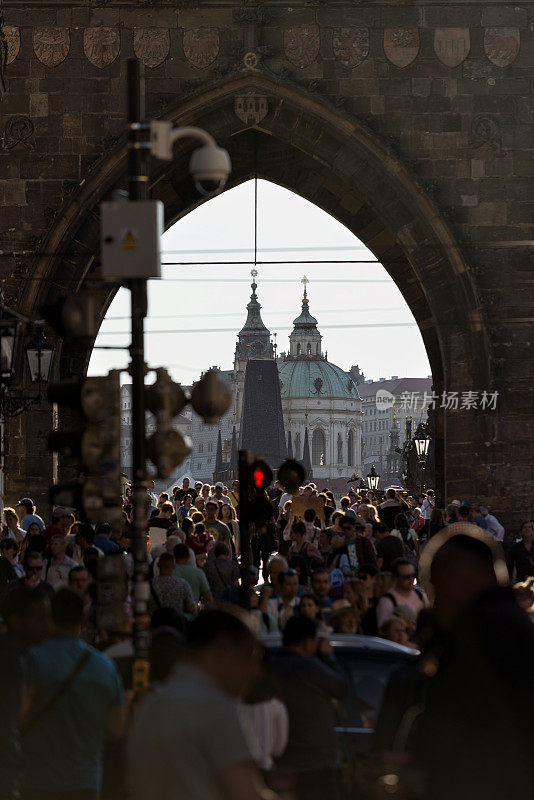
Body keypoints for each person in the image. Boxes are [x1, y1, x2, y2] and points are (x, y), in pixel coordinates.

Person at [403, 533, 534, 800]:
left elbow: (452, 725)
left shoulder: (481, 632)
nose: (434, 602)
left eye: (436, 587)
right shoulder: (511, 624)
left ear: (457, 577)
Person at [126, 609, 274, 800]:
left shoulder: (150, 705)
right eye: (251, 655)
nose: (256, 671)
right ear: (223, 647)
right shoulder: (216, 709)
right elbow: (247, 793)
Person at [22, 588, 125, 800]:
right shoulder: (105, 667)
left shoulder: (30, 660)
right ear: (84, 618)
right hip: (85, 781)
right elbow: (116, 730)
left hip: (35, 780)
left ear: (49, 616)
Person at [270, 615, 349, 800]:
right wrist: (328, 656)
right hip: (316, 765)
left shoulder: (270, 667)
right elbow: (342, 688)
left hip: (281, 763)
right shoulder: (308, 667)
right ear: (307, 642)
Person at [376, 558, 428, 627]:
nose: (411, 579)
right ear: (395, 578)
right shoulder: (387, 601)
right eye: (407, 577)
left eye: (413, 575)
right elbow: (383, 629)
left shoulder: (420, 595)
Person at [151, 552, 196, 616]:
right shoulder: (182, 584)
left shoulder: (150, 584)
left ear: (158, 565)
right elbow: (191, 608)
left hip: (156, 622)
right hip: (176, 622)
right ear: (174, 566)